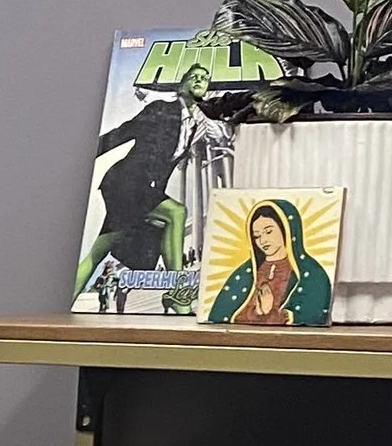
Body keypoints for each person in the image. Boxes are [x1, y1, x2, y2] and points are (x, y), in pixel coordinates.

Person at [74, 65, 229, 298]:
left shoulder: (195, 124)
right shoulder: (160, 109)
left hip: (141, 193)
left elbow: (220, 135)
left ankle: (73, 294)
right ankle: (180, 293)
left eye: (205, 78)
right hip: (125, 183)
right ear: (181, 84)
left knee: (99, 250)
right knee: (176, 212)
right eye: (194, 76)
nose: (200, 80)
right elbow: (124, 131)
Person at [207, 195, 333, 326]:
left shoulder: (312, 274)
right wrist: (255, 312)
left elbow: (311, 317)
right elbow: (221, 316)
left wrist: (271, 313)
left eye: (268, 232)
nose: (263, 241)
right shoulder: (245, 273)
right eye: (257, 236)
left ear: (286, 229)